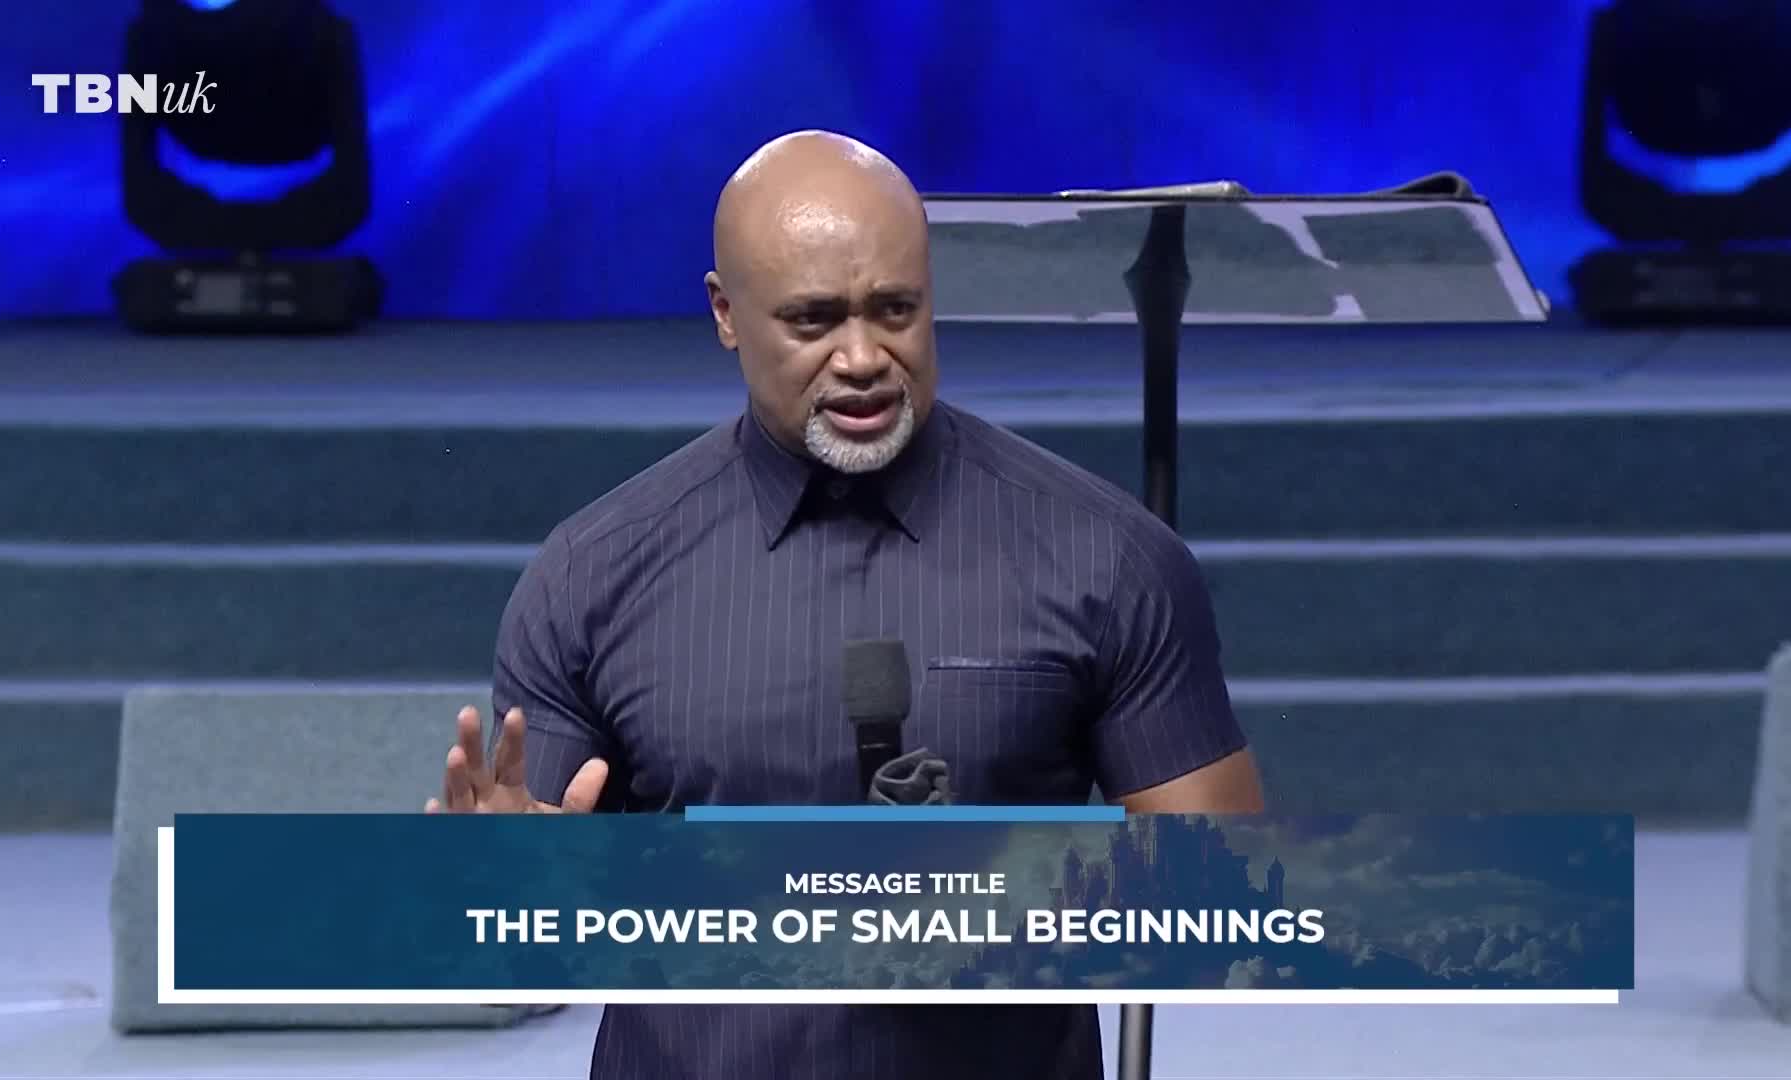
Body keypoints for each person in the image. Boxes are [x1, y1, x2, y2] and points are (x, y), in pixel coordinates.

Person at [428, 129, 1265, 1080]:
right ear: (725, 313)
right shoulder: (591, 573)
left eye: (896, 310)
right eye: (814, 319)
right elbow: (527, 918)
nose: (863, 356)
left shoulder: (1107, 556)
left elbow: (1223, 903)